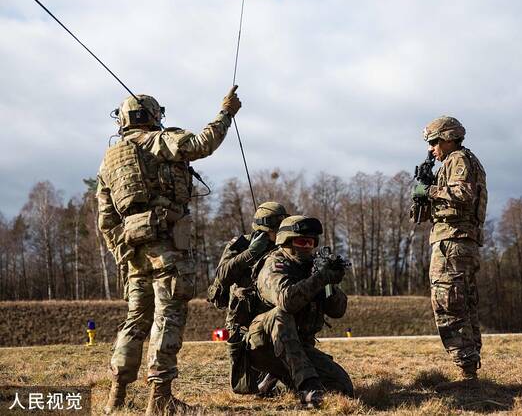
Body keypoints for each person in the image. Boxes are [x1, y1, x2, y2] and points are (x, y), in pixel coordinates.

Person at [98, 87, 241, 415]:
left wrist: (123, 253)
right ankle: (159, 397)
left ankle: (116, 397)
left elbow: (106, 221)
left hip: (134, 251)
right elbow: (202, 143)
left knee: (135, 320)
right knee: (168, 315)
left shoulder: (109, 160)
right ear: (150, 117)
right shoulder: (159, 140)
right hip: (168, 248)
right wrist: (226, 112)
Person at [247, 215, 354, 408]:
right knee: (281, 314)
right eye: (301, 241)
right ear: (286, 241)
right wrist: (319, 279)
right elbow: (286, 301)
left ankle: (278, 379)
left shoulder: (312, 268)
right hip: (262, 346)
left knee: (343, 388)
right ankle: (307, 389)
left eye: (311, 242)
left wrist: (328, 284)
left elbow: (338, 310)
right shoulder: (275, 265)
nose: (307, 246)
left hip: (299, 348)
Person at [412, 116, 488, 385]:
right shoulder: (464, 160)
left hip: (452, 241)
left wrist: (429, 189)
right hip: (460, 241)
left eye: (434, 142)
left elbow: (463, 193)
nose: (432, 149)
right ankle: (469, 368)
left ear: (448, 137)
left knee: (448, 302)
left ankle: (466, 368)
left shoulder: (458, 159)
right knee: (464, 302)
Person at [207, 201, 289, 394]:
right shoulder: (241, 244)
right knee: (244, 386)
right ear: (263, 229)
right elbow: (222, 275)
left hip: (269, 313)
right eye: (276, 228)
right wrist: (250, 253)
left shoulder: (282, 248)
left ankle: (276, 378)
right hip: (242, 315)